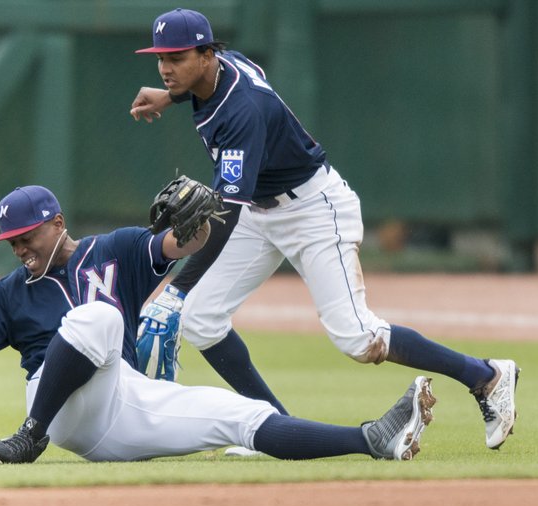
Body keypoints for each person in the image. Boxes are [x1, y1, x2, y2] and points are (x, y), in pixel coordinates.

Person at [130, 8, 518, 452]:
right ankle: (276, 428)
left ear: (205, 54)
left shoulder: (242, 111)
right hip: (260, 209)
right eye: (160, 57)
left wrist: (177, 288)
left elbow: (226, 215)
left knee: (358, 337)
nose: (165, 67)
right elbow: (233, 194)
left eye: (176, 57)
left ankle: (486, 376)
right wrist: (169, 95)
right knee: (201, 321)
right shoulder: (222, 67)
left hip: (313, 210)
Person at [0, 183, 436, 464]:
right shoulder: (7, 296)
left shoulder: (115, 249)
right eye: (9, 242)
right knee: (96, 318)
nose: (18, 249)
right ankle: (28, 438)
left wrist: (200, 225)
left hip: (126, 403)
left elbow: (177, 244)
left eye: (27, 237)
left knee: (244, 416)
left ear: (57, 223)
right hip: (59, 408)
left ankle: (372, 439)